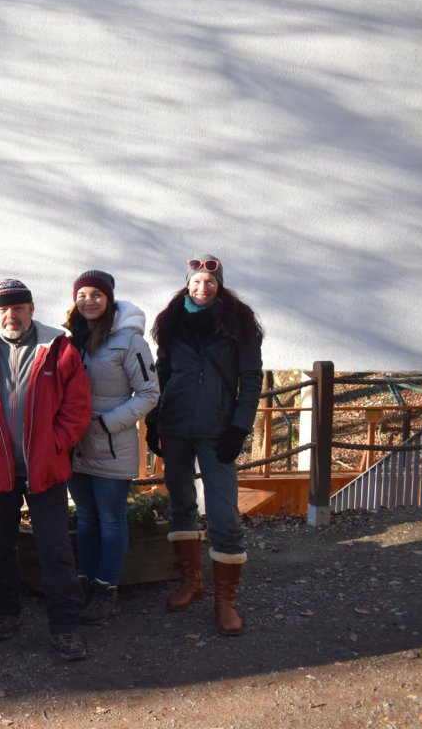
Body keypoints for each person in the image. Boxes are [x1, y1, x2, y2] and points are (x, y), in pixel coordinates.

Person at [0, 278, 92, 661]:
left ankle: (64, 625)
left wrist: (56, 442)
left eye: (18, 308)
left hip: (46, 467)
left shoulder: (58, 348)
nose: (10, 316)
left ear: (31, 309)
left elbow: (77, 407)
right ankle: (6, 611)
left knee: (55, 547)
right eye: (2, 310)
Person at [146, 255, 263, 636]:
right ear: (187, 283)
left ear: (220, 285)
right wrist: (154, 420)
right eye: (196, 281)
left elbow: (251, 380)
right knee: (180, 502)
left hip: (217, 429)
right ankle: (192, 581)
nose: (203, 287)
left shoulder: (239, 325)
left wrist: (239, 428)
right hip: (176, 424)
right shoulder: (171, 322)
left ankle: (225, 598)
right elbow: (162, 374)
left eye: (210, 281)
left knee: (224, 511)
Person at [63, 271, 159, 625]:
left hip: (112, 444)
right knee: (86, 517)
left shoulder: (129, 341)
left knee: (110, 518)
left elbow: (149, 393)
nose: (88, 300)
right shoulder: (72, 339)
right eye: (82, 295)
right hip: (75, 444)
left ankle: (107, 589)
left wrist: (107, 423)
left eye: (96, 295)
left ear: (110, 299)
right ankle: (86, 581)